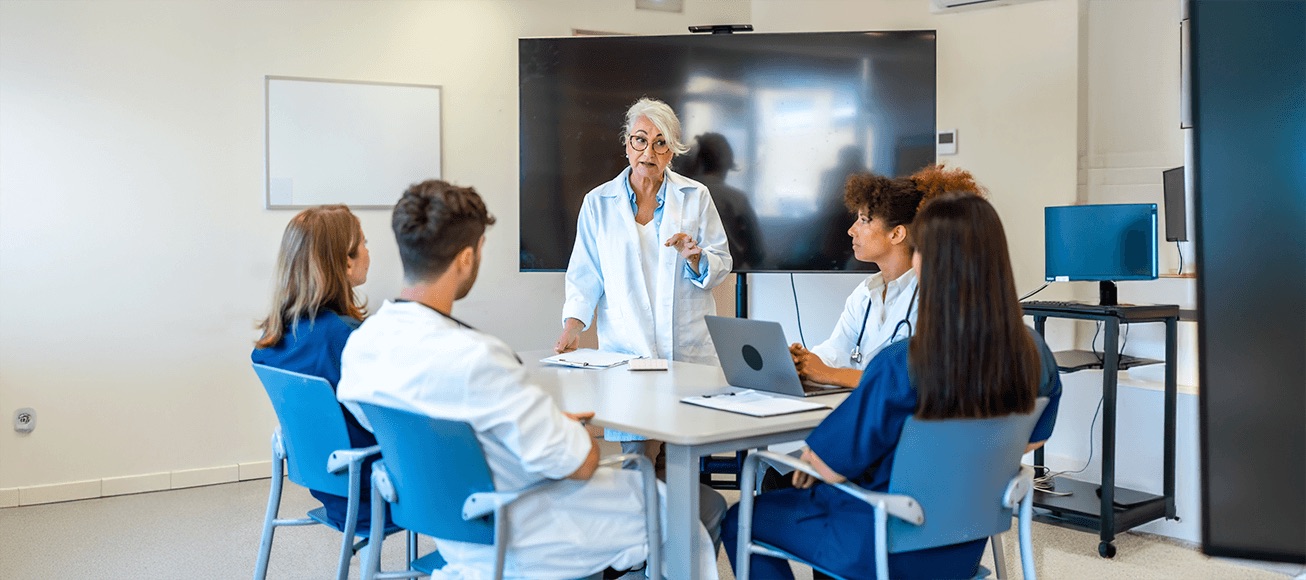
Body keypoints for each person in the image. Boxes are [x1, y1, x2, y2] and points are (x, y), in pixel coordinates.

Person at [337, 180, 724, 579]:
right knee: (699, 507)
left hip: (454, 531)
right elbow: (582, 462)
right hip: (528, 533)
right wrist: (566, 430)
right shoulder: (480, 359)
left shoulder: (362, 349)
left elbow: (426, 434)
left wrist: (540, 427)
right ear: (467, 259)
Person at [721, 192, 1064, 579]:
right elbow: (1029, 442)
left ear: (930, 264)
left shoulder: (903, 363)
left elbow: (828, 466)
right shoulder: (1035, 352)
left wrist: (811, 462)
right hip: (964, 549)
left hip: (885, 543)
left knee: (742, 517)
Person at [554, 97, 732, 464]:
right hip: (626, 347)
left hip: (685, 349)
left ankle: (682, 521)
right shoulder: (598, 203)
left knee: (685, 455)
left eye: (660, 142)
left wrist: (695, 256)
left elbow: (722, 262)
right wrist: (573, 326)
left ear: (672, 152)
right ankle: (646, 519)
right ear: (626, 144)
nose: (647, 151)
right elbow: (585, 273)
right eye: (639, 139)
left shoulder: (695, 197)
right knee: (638, 458)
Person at [250, 204, 387, 531]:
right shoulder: (347, 339)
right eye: (364, 243)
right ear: (345, 260)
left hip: (329, 485)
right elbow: (386, 419)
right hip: (373, 494)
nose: (369, 252)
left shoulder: (276, 340)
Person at [791, 164, 988, 389]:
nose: (851, 230)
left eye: (864, 220)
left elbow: (915, 382)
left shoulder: (937, 295)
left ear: (896, 233)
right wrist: (801, 362)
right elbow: (836, 351)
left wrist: (829, 374)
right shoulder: (865, 294)